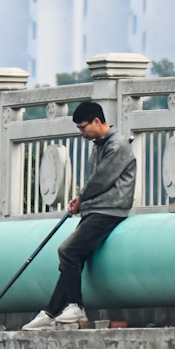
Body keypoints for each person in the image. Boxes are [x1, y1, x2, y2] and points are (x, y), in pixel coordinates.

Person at [24, 101, 135, 330]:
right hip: (96, 209)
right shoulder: (99, 145)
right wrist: (82, 200)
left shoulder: (117, 145)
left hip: (109, 210)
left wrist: (81, 198)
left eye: (83, 127)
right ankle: (50, 312)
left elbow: (102, 180)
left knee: (68, 251)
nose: (81, 133)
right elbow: (95, 181)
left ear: (97, 121)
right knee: (71, 260)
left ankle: (76, 306)